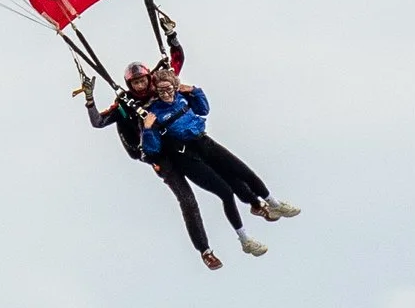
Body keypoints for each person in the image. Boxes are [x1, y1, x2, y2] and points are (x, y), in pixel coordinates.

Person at [82, 27, 300, 271]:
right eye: (136, 83)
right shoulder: (126, 103)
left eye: (143, 80)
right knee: (188, 200)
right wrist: (90, 101)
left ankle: (257, 204)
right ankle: (206, 251)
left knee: (227, 172)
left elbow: (176, 61)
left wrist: (172, 36)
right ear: (129, 84)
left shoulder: (160, 85)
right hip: (161, 155)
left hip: (187, 144)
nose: (142, 85)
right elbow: (98, 122)